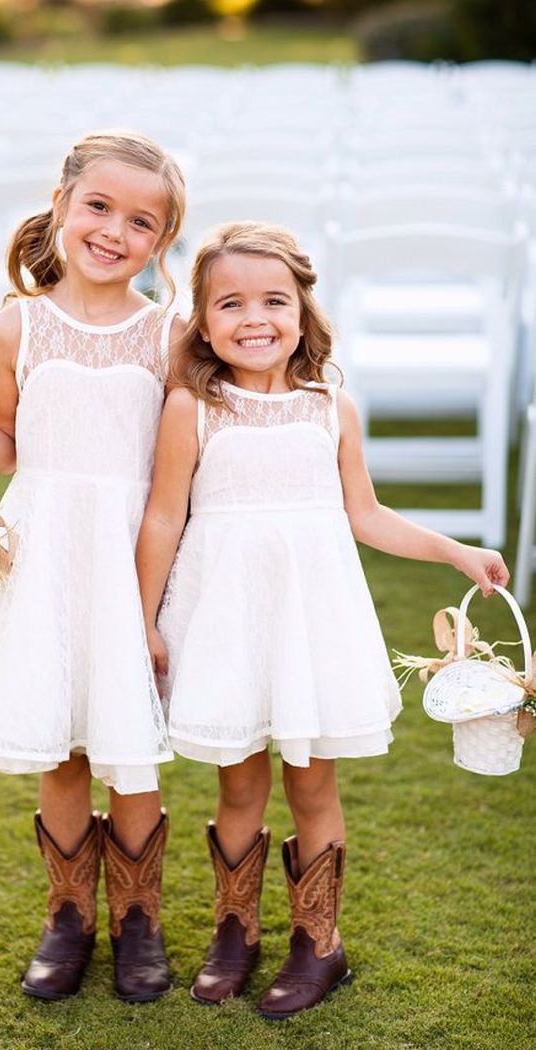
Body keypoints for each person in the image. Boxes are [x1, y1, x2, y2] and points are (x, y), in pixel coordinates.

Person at [135, 221, 509, 1019]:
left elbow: (365, 515)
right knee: (239, 784)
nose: (254, 318)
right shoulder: (190, 408)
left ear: (302, 312)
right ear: (202, 322)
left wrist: (455, 552)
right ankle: (234, 931)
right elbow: (164, 518)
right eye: (230, 304)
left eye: (273, 300)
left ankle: (318, 942)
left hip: (312, 620)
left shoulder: (328, 403)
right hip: (228, 619)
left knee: (313, 783)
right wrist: (147, 620)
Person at [0, 131, 186, 1004]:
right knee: (62, 741)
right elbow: (8, 442)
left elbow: (179, 465)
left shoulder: (166, 336)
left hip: (129, 555)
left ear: (162, 242)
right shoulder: (14, 325)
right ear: (62, 205)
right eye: (99, 206)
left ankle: (138, 919)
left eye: (141, 221)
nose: (114, 231)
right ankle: (68, 917)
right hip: (45, 555)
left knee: (128, 746)